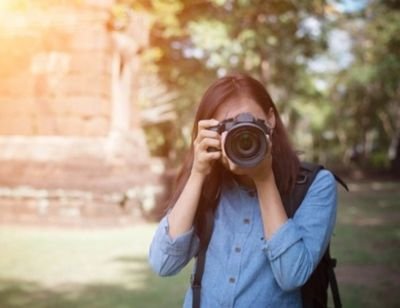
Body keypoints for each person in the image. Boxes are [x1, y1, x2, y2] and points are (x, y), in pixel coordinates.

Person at [148, 73, 337, 307]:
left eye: (250, 124)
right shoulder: (207, 182)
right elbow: (163, 263)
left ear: (270, 120)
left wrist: (264, 179)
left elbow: (291, 275)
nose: (241, 136)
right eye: (227, 127)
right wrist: (197, 174)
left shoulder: (315, 184)